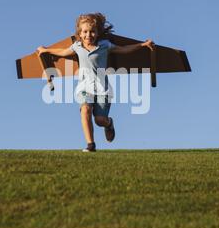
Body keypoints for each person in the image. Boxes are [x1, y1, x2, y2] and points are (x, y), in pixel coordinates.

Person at [37, 13, 154, 152]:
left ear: (97, 32)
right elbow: (62, 52)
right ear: (80, 34)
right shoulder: (77, 47)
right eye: (85, 32)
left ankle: (109, 123)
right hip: (84, 87)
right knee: (85, 109)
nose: (88, 35)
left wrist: (142, 45)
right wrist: (46, 50)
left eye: (92, 31)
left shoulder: (105, 46)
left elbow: (123, 50)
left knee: (99, 120)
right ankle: (90, 145)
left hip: (102, 89)